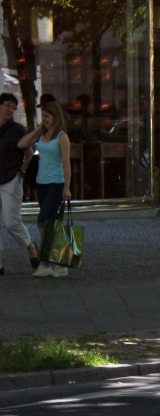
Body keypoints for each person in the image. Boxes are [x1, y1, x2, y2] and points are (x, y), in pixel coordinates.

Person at [18, 101, 72, 278]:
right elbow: (22, 144)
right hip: (41, 183)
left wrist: (67, 186)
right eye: (43, 117)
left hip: (56, 183)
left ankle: (49, 261)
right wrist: (38, 129)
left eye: (47, 116)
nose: (45, 120)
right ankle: (55, 263)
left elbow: (66, 163)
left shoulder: (61, 137)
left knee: (42, 221)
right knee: (52, 223)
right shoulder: (42, 135)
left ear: (55, 117)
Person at [0, 92, 39, 274]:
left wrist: (21, 171)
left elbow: (29, 153)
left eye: (13, 107)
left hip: (10, 178)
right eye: (7, 105)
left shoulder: (17, 129)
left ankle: (30, 246)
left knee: (11, 222)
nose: (10, 109)